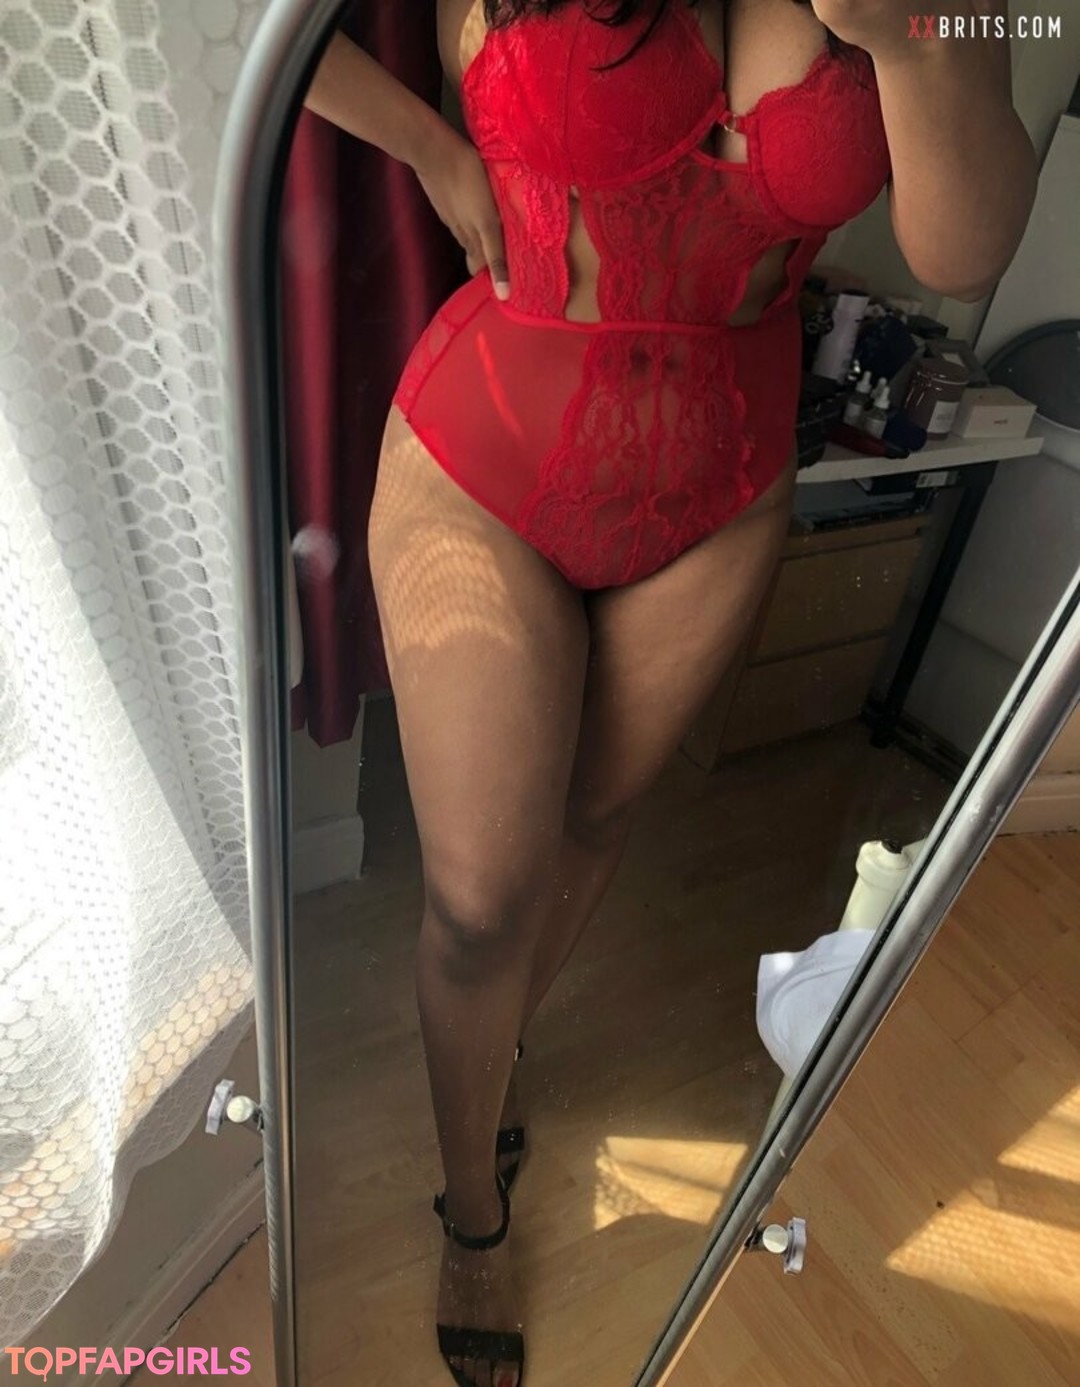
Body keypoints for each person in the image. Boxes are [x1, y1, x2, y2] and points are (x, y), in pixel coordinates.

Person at [304, 3, 1034, 1383]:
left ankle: (492, 1059)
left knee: (593, 822)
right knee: (481, 900)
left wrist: (916, 42)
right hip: (487, 453)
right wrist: (430, 148)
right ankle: (471, 1209)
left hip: (722, 476)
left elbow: (967, 246)